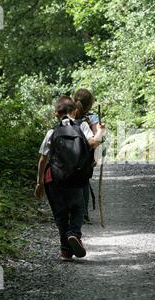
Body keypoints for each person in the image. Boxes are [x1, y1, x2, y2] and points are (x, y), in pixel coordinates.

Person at [35, 96, 105, 261]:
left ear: (55, 114)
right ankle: (74, 233)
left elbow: (42, 159)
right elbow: (93, 143)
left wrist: (39, 183)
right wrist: (101, 131)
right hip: (76, 176)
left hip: (54, 179)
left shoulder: (52, 132)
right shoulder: (83, 125)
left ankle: (65, 251)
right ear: (75, 111)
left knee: (60, 215)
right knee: (78, 208)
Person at [74, 89, 100, 224]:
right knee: (83, 181)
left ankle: (68, 211)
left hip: (68, 154)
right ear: (90, 104)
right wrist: (96, 156)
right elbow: (96, 139)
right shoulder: (93, 118)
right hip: (85, 156)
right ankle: (83, 212)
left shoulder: (69, 113)